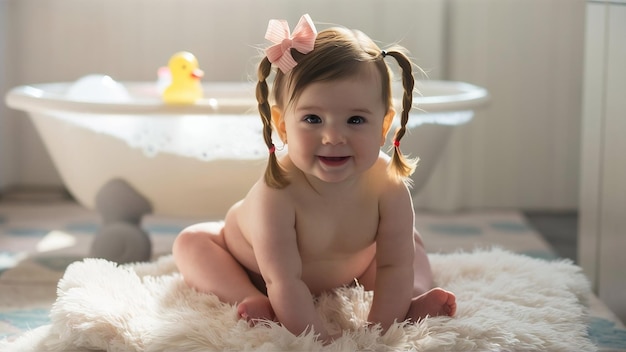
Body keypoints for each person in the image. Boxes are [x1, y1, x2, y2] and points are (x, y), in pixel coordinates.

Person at [172, 14, 456, 343]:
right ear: (282, 124)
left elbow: (394, 266)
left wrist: (376, 332)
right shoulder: (277, 192)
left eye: (354, 120)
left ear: (383, 125)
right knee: (192, 242)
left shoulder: (388, 185)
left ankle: (411, 300)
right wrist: (322, 340)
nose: (333, 136)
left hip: (353, 270)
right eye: (312, 118)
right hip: (257, 272)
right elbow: (284, 280)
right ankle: (247, 297)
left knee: (410, 245)